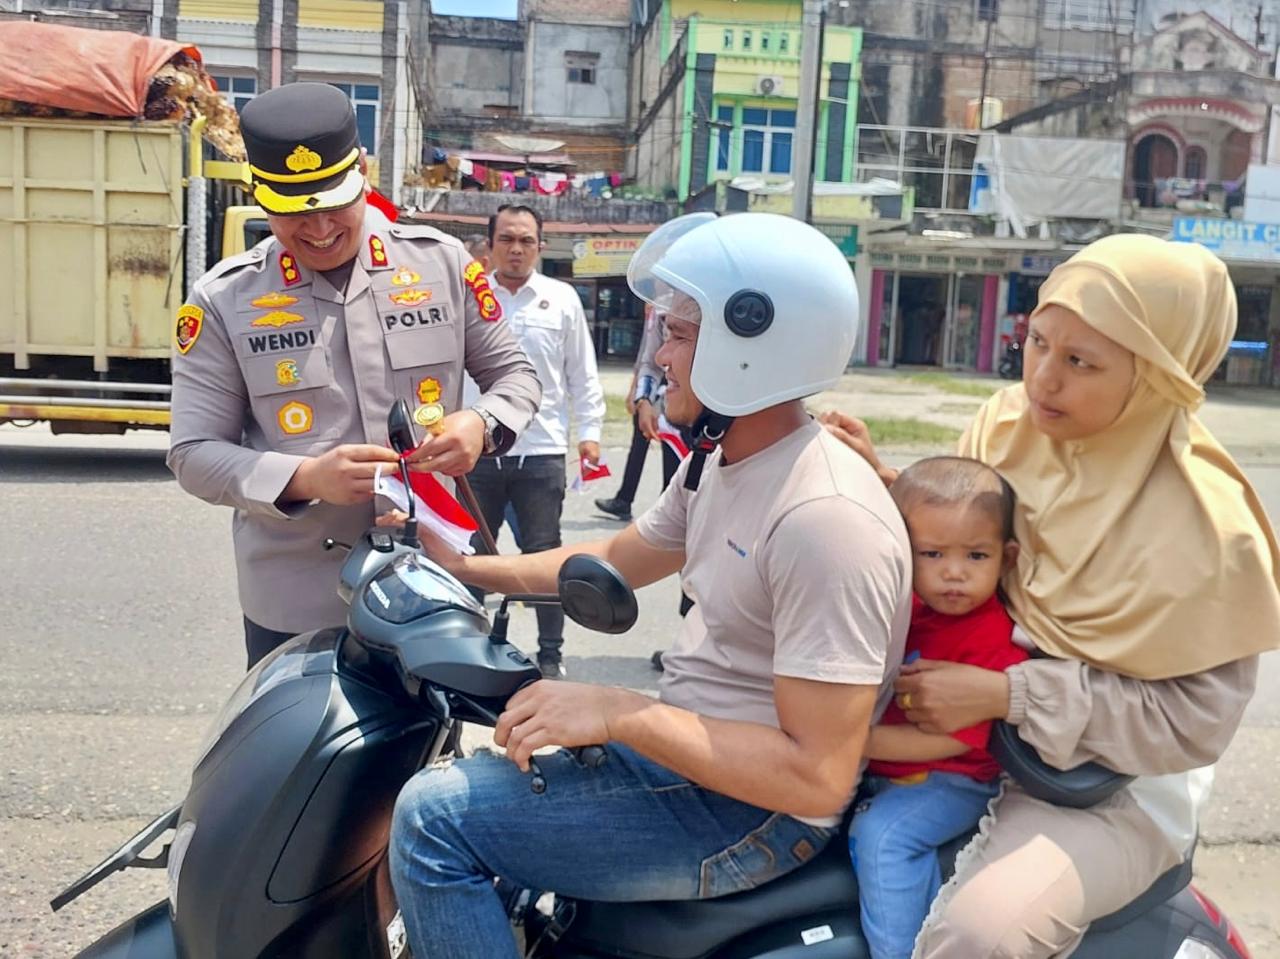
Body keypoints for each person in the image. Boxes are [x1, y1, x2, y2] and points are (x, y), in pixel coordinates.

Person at [383, 211, 913, 959]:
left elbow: (815, 776)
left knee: (433, 821)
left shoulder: (823, 518)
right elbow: (615, 554)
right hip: (699, 766)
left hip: (750, 814)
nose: (659, 354)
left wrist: (618, 710)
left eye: (680, 333)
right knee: (481, 779)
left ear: (753, 345)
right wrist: (464, 569)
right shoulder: (723, 461)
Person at [823, 233, 1280, 958]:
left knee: (983, 933)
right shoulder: (1007, 426)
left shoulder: (1209, 531)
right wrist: (886, 486)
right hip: (955, 739)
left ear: (1158, 375)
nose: (1042, 379)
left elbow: (1193, 725)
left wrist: (1010, 696)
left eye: (1081, 362)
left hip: (1102, 786)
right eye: (1037, 341)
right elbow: (967, 533)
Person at [167, 82, 541, 667]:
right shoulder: (224, 299)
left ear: (362, 171)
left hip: (433, 577)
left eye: (332, 204)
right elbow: (192, 452)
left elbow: (514, 377)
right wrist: (306, 477)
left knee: (438, 752)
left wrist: (480, 423)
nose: (316, 231)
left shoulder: (440, 262)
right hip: (296, 599)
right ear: (260, 196)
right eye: (291, 211)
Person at [848, 457, 1028, 959]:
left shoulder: (993, 638)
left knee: (883, 839)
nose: (953, 573)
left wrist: (851, 739)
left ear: (1006, 559)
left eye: (975, 556)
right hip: (891, 771)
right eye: (932, 554)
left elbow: (954, 740)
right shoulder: (908, 604)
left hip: (952, 779)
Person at [461, 204, 606, 679]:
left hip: (541, 452)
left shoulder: (561, 299)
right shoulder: (469, 293)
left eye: (526, 240)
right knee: (473, 557)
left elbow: (581, 372)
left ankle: (550, 655)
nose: (517, 249)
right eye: (507, 239)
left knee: (545, 556)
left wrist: (589, 433)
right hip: (478, 449)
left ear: (540, 246)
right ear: (490, 245)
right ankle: (466, 647)